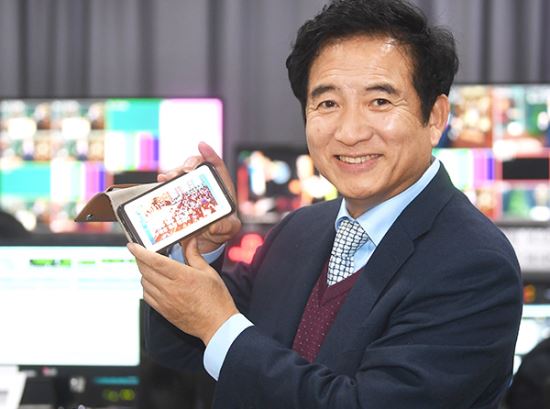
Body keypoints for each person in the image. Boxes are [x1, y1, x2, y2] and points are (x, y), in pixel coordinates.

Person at [128, 0, 524, 407]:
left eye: (380, 101)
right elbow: (180, 346)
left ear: (435, 117)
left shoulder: (474, 265)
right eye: (328, 103)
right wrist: (201, 247)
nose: (350, 132)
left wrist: (219, 325)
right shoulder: (297, 231)